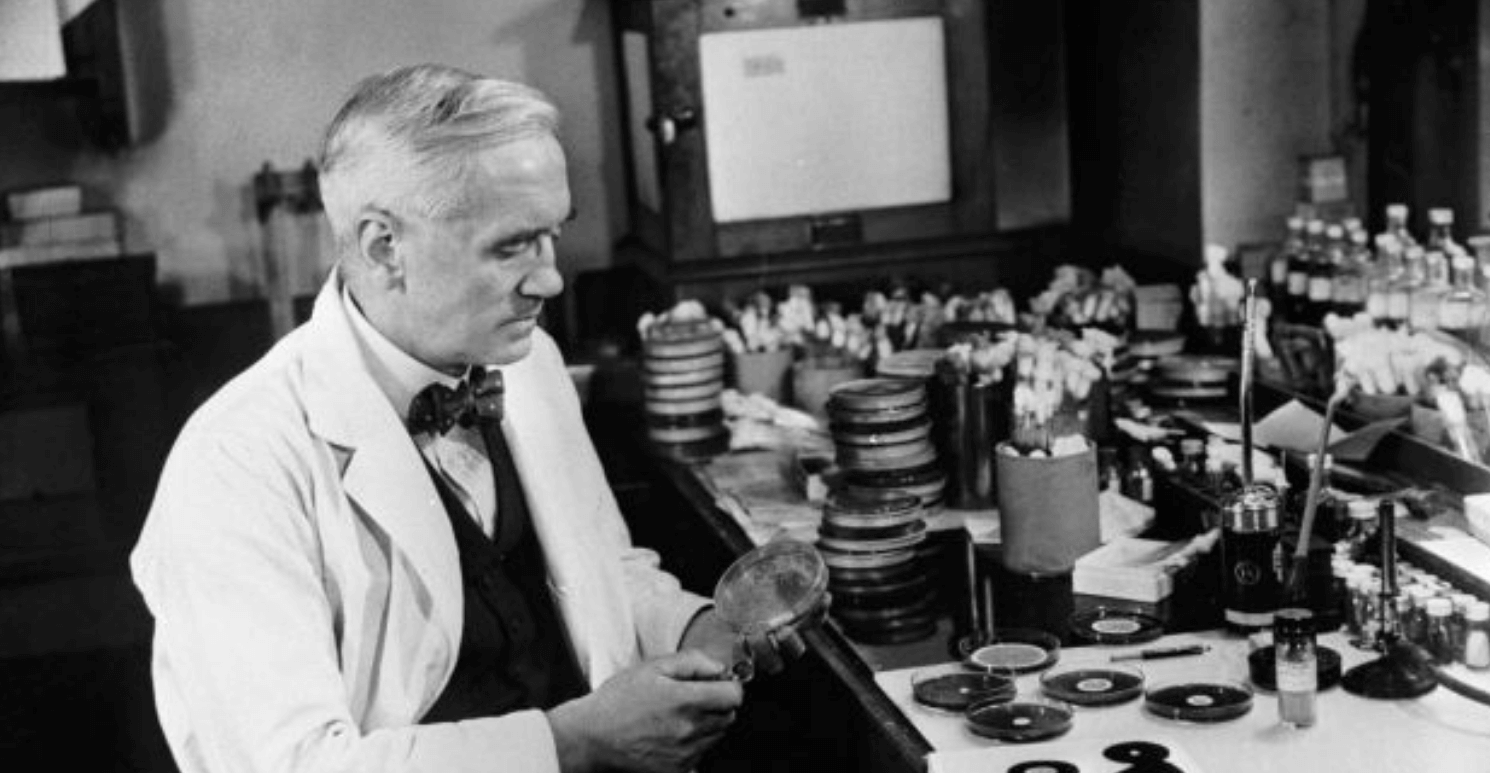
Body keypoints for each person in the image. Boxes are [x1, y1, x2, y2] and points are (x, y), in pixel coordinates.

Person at [132, 64, 779, 773]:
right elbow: (291, 764)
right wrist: (571, 742)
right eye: (512, 246)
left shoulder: (526, 363)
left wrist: (692, 620)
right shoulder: (237, 461)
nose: (551, 277)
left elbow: (594, 566)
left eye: (552, 235)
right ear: (385, 248)